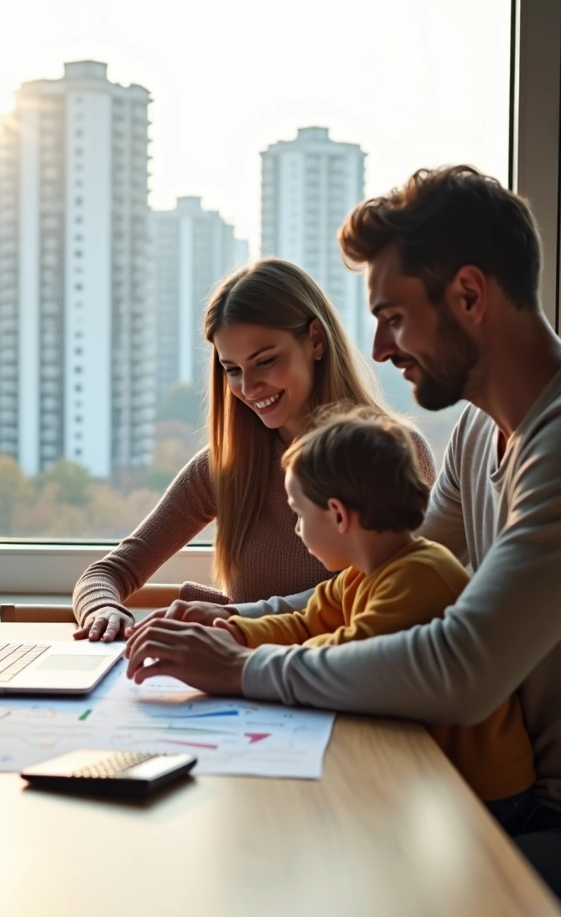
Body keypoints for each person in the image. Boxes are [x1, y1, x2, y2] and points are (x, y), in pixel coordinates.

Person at [123, 166, 561, 917]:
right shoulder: (485, 436)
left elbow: (461, 668)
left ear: (470, 295)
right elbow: (377, 582)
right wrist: (237, 624)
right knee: (287, 872)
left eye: (392, 317)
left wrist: (244, 667)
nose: (379, 348)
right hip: (533, 808)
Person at [70, 258, 434, 643]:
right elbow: (107, 573)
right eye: (233, 369)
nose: (249, 387)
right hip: (240, 676)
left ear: (315, 339)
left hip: (345, 677)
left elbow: (388, 595)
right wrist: (103, 610)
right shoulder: (226, 466)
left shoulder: (396, 454)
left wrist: (235, 616)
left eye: (265, 361)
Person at [221, 404, 533, 809]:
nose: (297, 529)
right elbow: (305, 624)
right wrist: (233, 632)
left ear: (338, 515)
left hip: (487, 789)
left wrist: (238, 663)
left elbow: (352, 655)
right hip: (431, 768)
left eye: (299, 514)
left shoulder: (420, 576)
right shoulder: (360, 575)